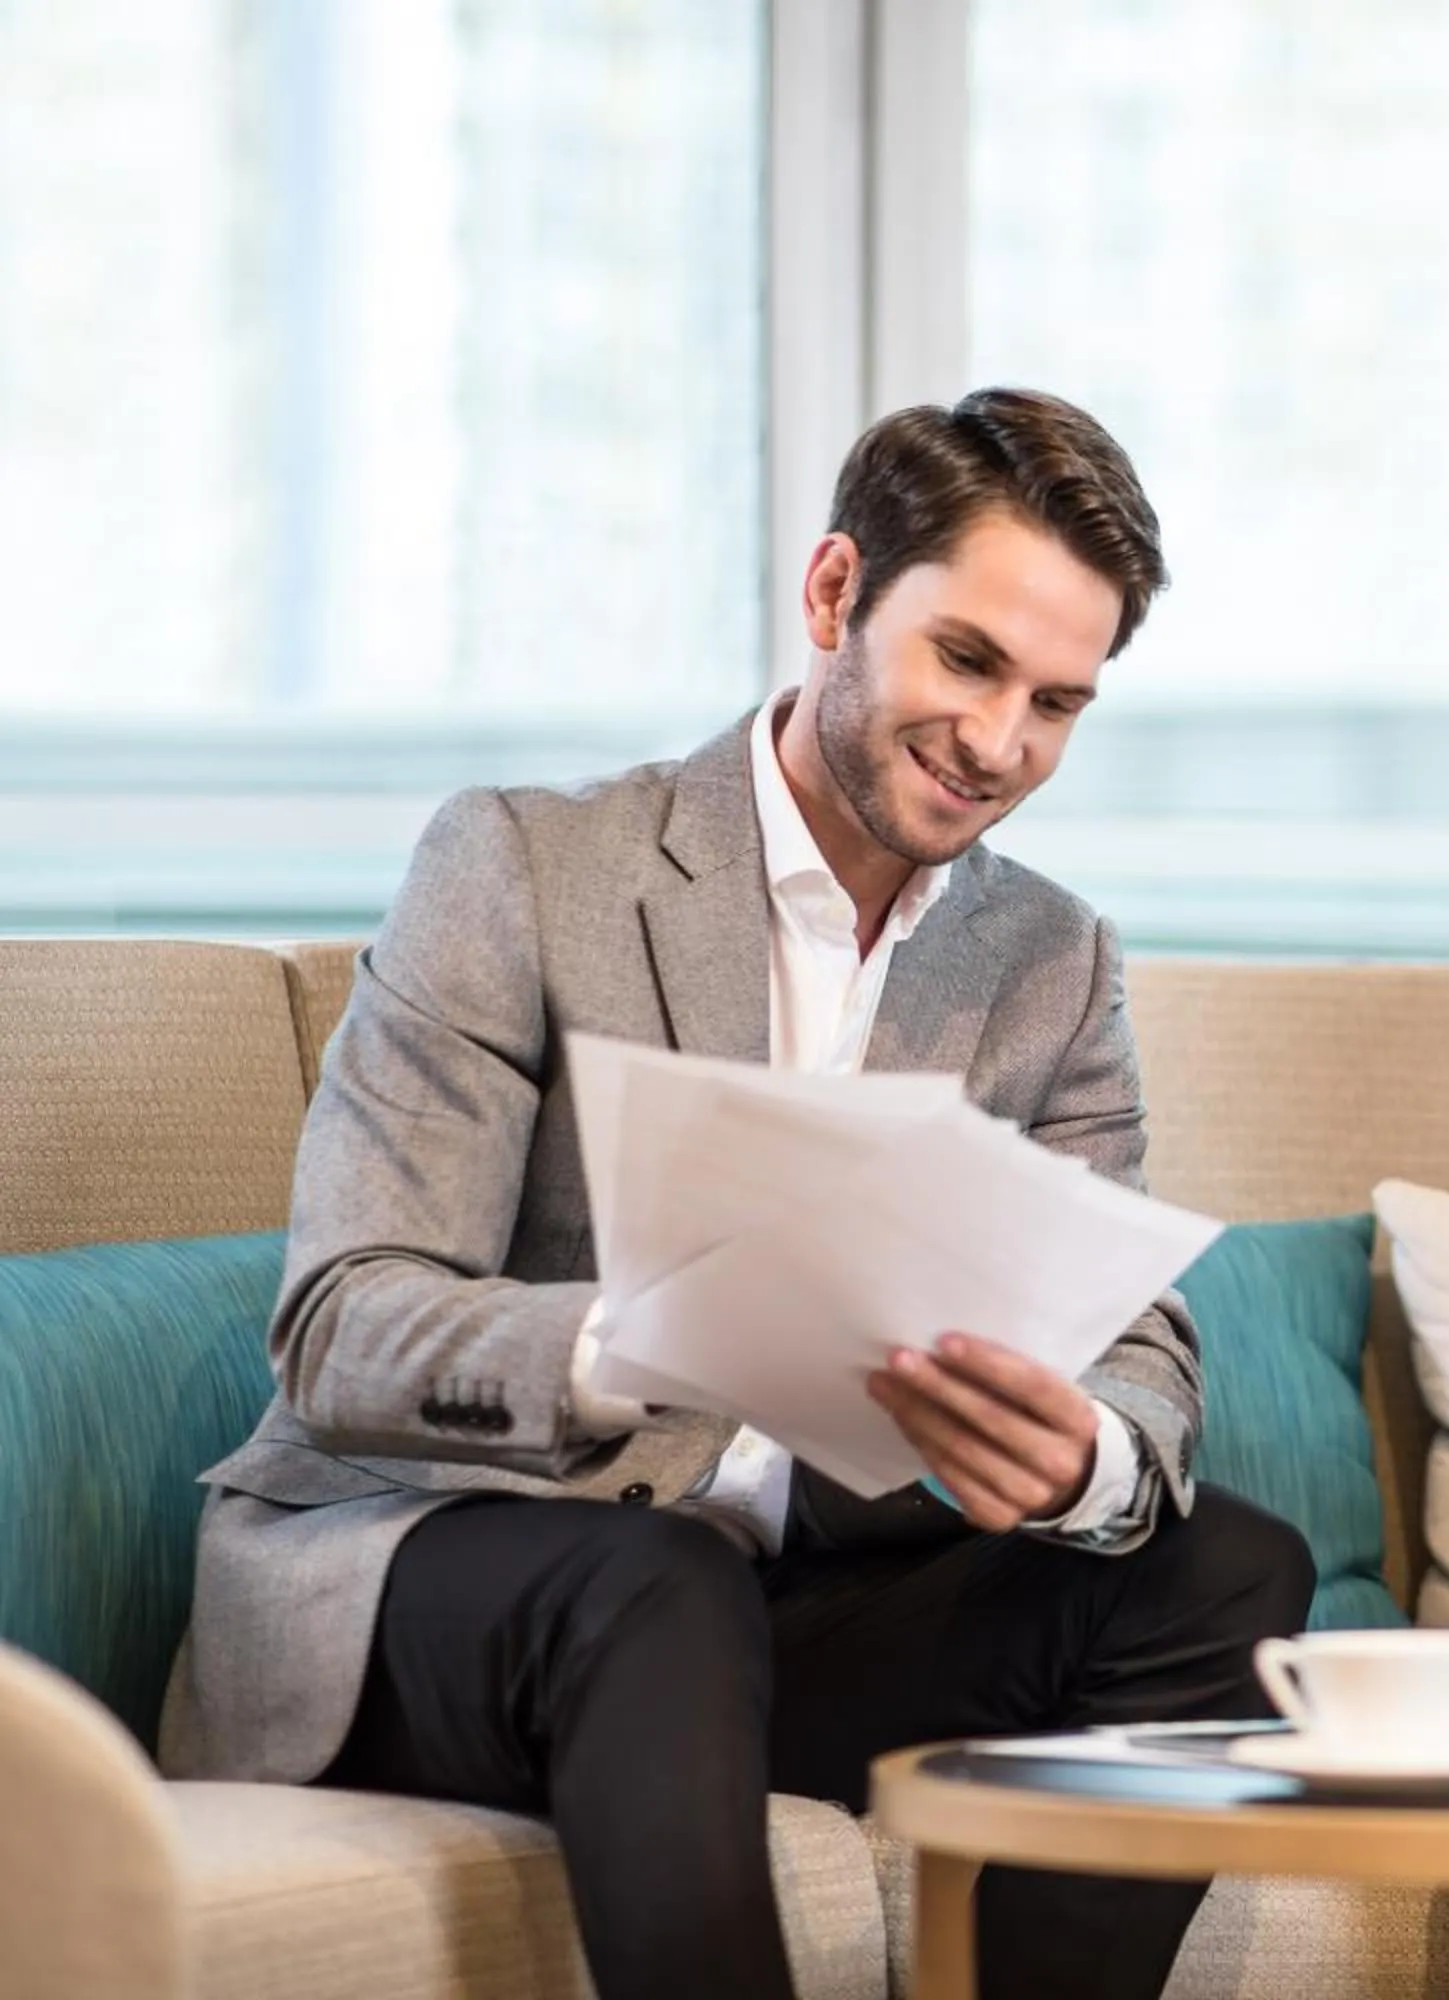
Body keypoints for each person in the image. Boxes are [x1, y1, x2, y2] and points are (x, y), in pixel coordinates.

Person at [159, 388, 1315, 2000]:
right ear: (835, 593)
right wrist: (653, 1340)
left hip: (783, 1611)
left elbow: (1137, 1334)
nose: (1000, 744)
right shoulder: (525, 866)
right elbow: (344, 1327)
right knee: (664, 1580)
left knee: (1228, 1572)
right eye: (966, 662)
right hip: (467, 1575)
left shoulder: (1054, 962)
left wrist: (1085, 1462)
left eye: (1058, 703)